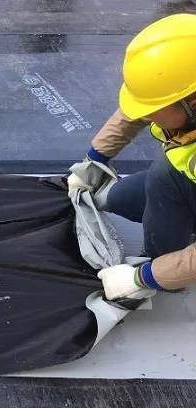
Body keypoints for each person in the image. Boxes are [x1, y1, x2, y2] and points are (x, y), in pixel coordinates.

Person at [67, 13, 196, 300]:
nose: (147, 115)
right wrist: (94, 161)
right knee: (119, 198)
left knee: (163, 176)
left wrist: (146, 277)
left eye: (155, 108)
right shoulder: (185, 82)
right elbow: (135, 111)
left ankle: (169, 273)